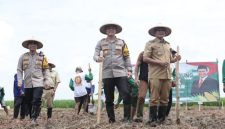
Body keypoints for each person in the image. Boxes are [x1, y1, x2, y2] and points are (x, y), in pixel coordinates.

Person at [93, 23, 132, 123]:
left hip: (121, 73)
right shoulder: (100, 43)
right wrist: (98, 58)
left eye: (112, 28)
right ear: (106, 31)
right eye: (108, 28)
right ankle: (112, 119)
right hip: (107, 74)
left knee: (126, 94)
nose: (111, 30)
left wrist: (129, 70)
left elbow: (127, 56)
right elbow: (95, 55)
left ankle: (127, 118)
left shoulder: (122, 42)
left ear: (116, 30)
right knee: (109, 98)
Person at [143, 25, 181, 126]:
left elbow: (169, 60)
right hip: (155, 74)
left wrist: (176, 59)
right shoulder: (150, 43)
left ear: (165, 33)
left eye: (163, 30)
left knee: (165, 99)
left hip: (167, 75)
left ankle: (161, 119)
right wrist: (159, 63)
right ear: (155, 33)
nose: (161, 32)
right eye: (159, 30)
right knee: (154, 98)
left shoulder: (168, 45)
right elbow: (145, 58)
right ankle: (152, 120)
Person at [17, 39, 50, 125]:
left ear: (37, 46)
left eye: (34, 44)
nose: (32, 45)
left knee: (36, 100)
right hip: (27, 83)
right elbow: (19, 70)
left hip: (38, 82)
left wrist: (46, 80)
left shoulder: (42, 56)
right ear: (28, 46)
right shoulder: (23, 57)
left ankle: (34, 119)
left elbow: (46, 69)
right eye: (31, 44)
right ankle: (32, 117)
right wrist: (20, 80)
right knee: (28, 101)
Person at [133, 51, 149, 122]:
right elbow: (137, 66)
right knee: (141, 97)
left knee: (155, 98)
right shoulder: (142, 54)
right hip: (143, 78)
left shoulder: (157, 53)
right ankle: (139, 116)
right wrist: (136, 78)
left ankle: (153, 117)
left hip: (154, 78)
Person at [166, 50, 177, 117]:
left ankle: (166, 114)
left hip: (169, 82)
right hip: (163, 81)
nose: (173, 55)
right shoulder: (165, 62)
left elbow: (174, 74)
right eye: (172, 53)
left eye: (174, 54)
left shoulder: (173, 64)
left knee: (169, 100)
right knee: (162, 99)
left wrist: (174, 80)